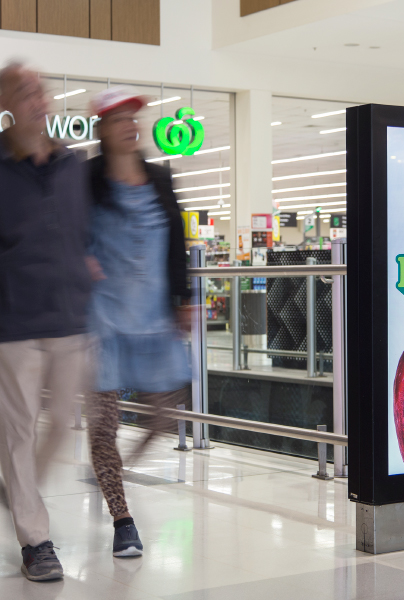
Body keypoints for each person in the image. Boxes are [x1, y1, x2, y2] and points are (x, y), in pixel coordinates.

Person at [85, 87, 192, 558]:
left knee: (165, 415)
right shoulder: (87, 180)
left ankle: (114, 469)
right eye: (119, 119)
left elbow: (177, 240)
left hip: (153, 318)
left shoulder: (159, 177)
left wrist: (184, 299)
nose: (130, 126)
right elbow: (65, 228)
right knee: (103, 426)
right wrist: (78, 258)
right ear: (103, 130)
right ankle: (122, 519)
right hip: (101, 320)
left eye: (133, 118)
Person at [0, 62, 93, 581]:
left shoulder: (72, 165)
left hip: (68, 315)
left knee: (60, 422)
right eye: (24, 92)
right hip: (13, 319)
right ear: (6, 106)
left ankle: (18, 489)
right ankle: (36, 541)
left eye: (41, 91)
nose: (37, 99)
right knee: (18, 430)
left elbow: (83, 230)